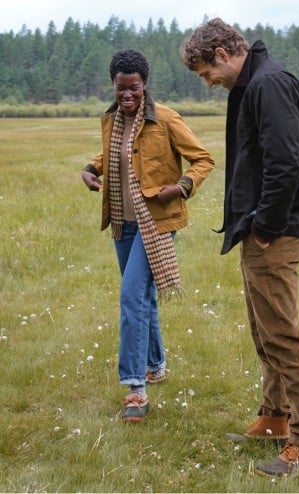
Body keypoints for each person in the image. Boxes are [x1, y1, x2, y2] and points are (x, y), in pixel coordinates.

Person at [182, 18, 299, 476]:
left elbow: (286, 163)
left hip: (275, 233)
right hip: (259, 229)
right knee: (264, 331)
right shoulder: (254, 85)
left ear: (223, 52)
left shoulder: (269, 85)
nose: (209, 83)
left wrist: (265, 226)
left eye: (207, 72)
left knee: (283, 336)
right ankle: (275, 418)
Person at [82, 49, 214, 422]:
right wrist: (90, 169)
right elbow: (114, 153)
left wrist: (184, 185)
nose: (127, 96)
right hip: (123, 222)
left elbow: (203, 159)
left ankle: (135, 389)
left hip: (156, 221)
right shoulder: (111, 120)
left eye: (134, 89)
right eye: (121, 89)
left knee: (131, 295)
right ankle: (155, 364)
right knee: (142, 296)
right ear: (113, 86)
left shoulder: (167, 119)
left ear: (145, 85)